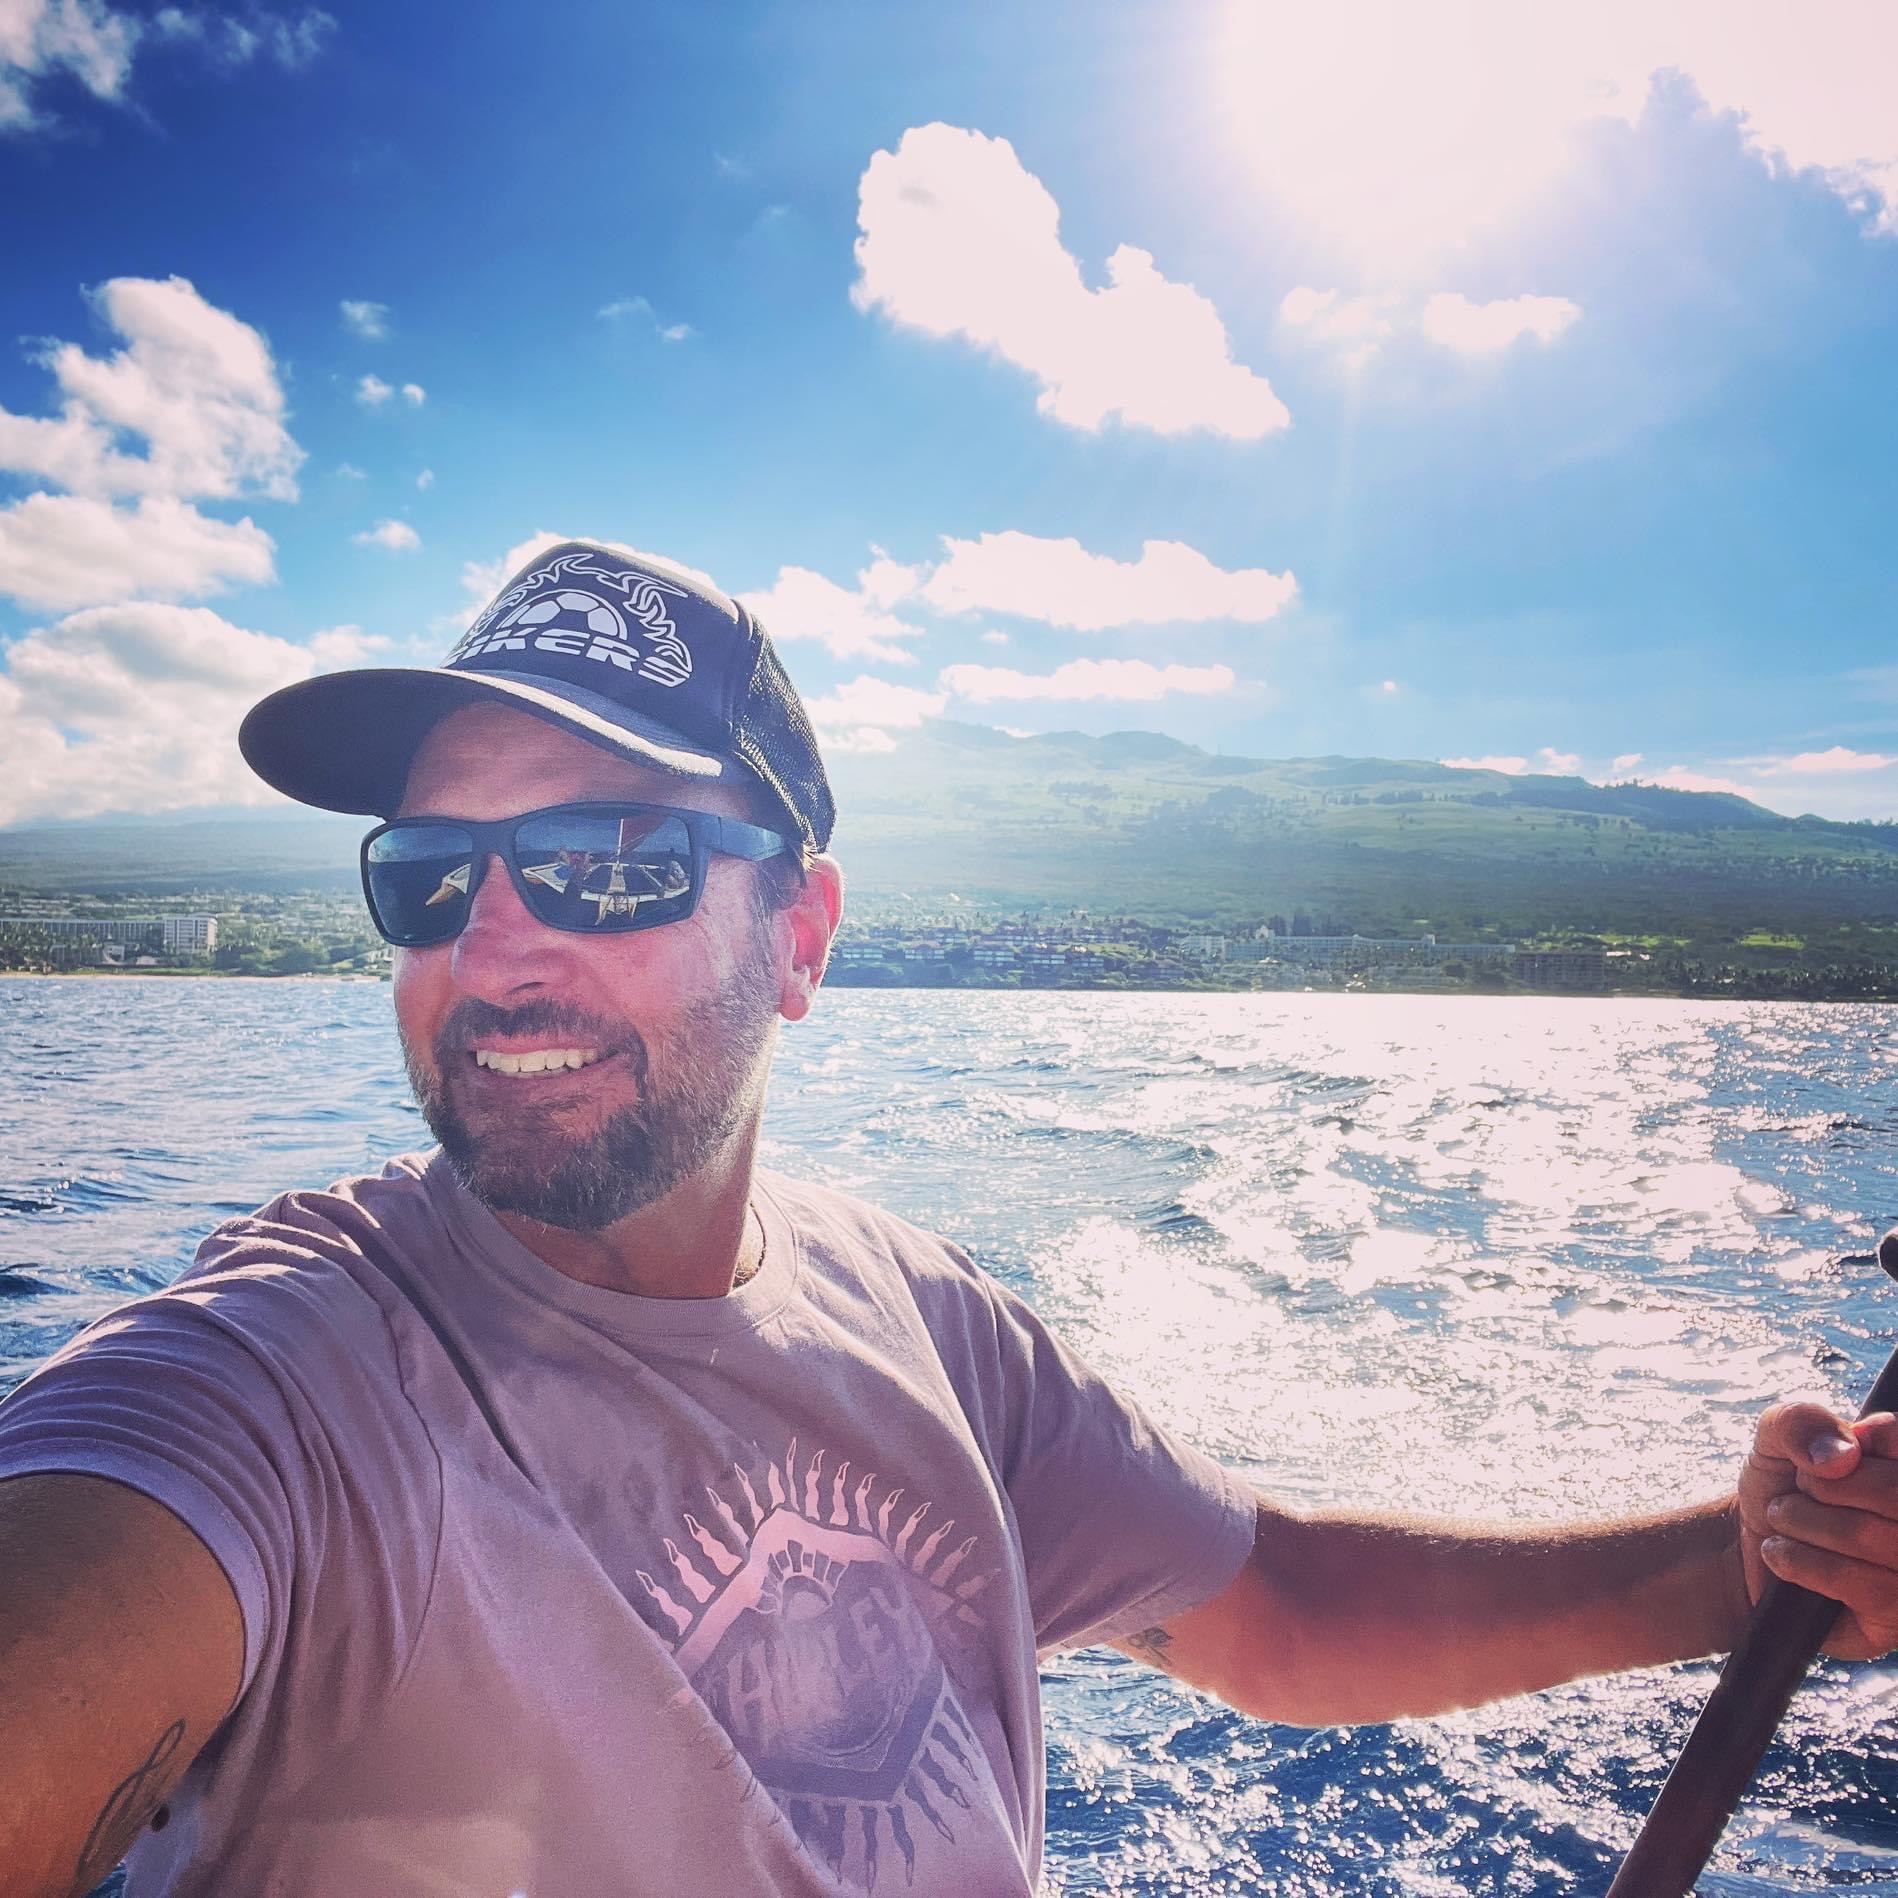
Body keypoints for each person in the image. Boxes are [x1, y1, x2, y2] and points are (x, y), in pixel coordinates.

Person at [1, 539, 1894, 1898]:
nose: (494, 947)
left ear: (800, 937)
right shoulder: (281, 1373)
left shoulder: (914, 1311)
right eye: (425, 877)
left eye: (602, 862)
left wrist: (1761, 1567)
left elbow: (1285, 1613)